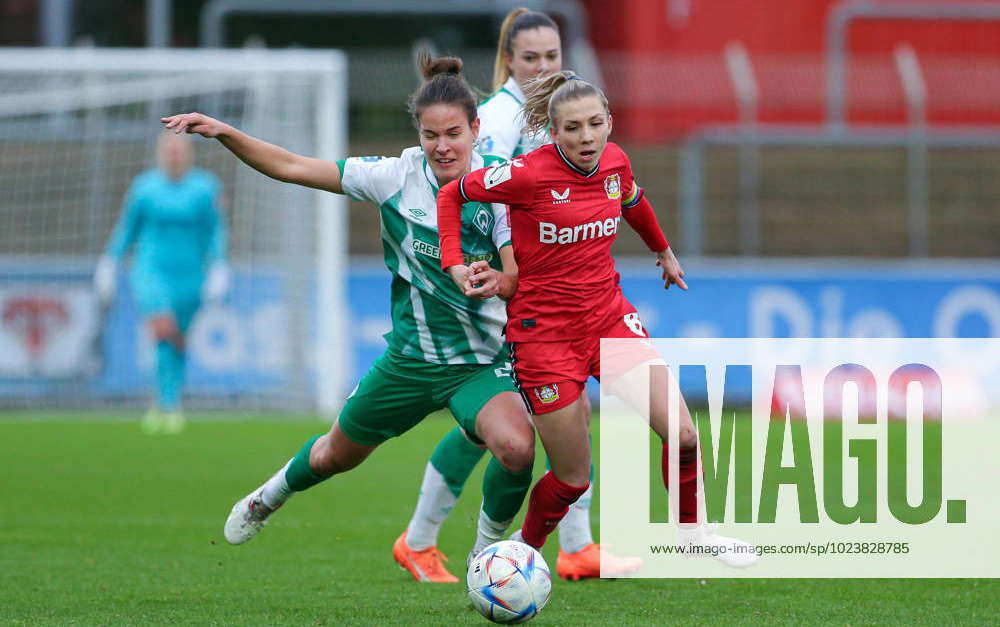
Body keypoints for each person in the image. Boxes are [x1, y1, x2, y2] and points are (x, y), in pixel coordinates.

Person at [161, 53, 539, 583]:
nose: (442, 146)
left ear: (476, 129)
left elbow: (520, 270)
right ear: (419, 134)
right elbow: (292, 167)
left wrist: (498, 280)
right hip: (409, 361)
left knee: (518, 446)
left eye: (454, 133)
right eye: (431, 135)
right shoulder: (391, 177)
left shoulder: (500, 185)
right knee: (336, 454)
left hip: (479, 364)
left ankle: (486, 558)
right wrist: (227, 133)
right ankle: (267, 498)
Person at [437, 71, 757, 568]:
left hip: (608, 320)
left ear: (609, 122)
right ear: (552, 129)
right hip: (544, 340)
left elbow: (632, 199)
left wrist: (664, 251)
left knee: (684, 433)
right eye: (572, 128)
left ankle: (694, 532)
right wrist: (453, 261)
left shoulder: (614, 161)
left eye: (594, 124)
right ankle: (521, 558)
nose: (586, 137)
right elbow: (452, 194)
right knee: (572, 478)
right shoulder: (525, 175)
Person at [400, 7, 641, 582]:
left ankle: (570, 545)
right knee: (505, 425)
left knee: (534, 420)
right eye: (530, 57)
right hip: (505, 292)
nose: (543, 66)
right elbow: (488, 198)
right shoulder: (500, 118)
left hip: (534, 289)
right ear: (508, 60)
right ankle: (428, 539)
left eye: (552, 56)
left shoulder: (558, 110)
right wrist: (496, 272)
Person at [94, 132, 229, 434]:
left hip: (190, 274)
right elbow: (127, 228)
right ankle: (168, 403)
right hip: (150, 270)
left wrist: (220, 264)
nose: (174, 156)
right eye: (169, 151)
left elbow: (215, 230)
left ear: (189, 153)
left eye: (179, 151)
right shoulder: (145, 188)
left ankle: (166, 402)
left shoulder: (206, 187)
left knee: (177, 338)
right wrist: (110, 261)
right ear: (159, 153)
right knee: (163, 328)